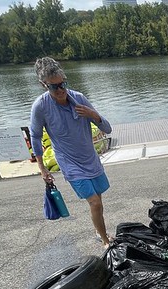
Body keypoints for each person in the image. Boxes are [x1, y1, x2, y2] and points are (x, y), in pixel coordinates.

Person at [30, 57, 114, 249]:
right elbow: (35, 136)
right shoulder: (41, 106)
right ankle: (105, 241)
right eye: (54, 87)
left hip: (90, 158)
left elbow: (107, 128)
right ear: (44, 85)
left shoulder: (79, 99)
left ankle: (98, 230)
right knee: (94, 203)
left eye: (63, 84)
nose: (60, 90)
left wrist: (93, 115)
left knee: (98, 199)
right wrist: (42, 169)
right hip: (70, 162)